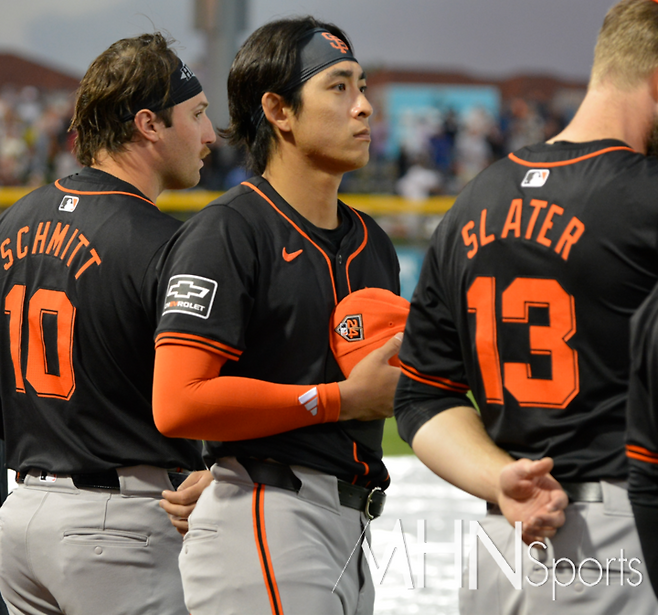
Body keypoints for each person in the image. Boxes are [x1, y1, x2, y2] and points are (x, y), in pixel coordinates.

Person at [394, 0, 658, 612]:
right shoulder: (645, 199)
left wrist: (500, 479)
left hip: (505, 540)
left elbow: (422, 397)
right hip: (622, 534)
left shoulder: (475, 199)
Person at [152, 16, 403, 615]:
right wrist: (340, 399)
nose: (364, 106)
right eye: (338, 87)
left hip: (347, 525)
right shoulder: (228, 230)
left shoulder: (373, 241)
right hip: (268, 518)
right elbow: (178, 402)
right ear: (278, 109)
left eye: (362, 87)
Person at [0, 32, 216, 615]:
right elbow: (205, 391)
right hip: (120, 525)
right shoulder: (166, 243)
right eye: (197, 114)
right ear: (149, 124)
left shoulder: (13, 221)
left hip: (21, 517)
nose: (210, 135)